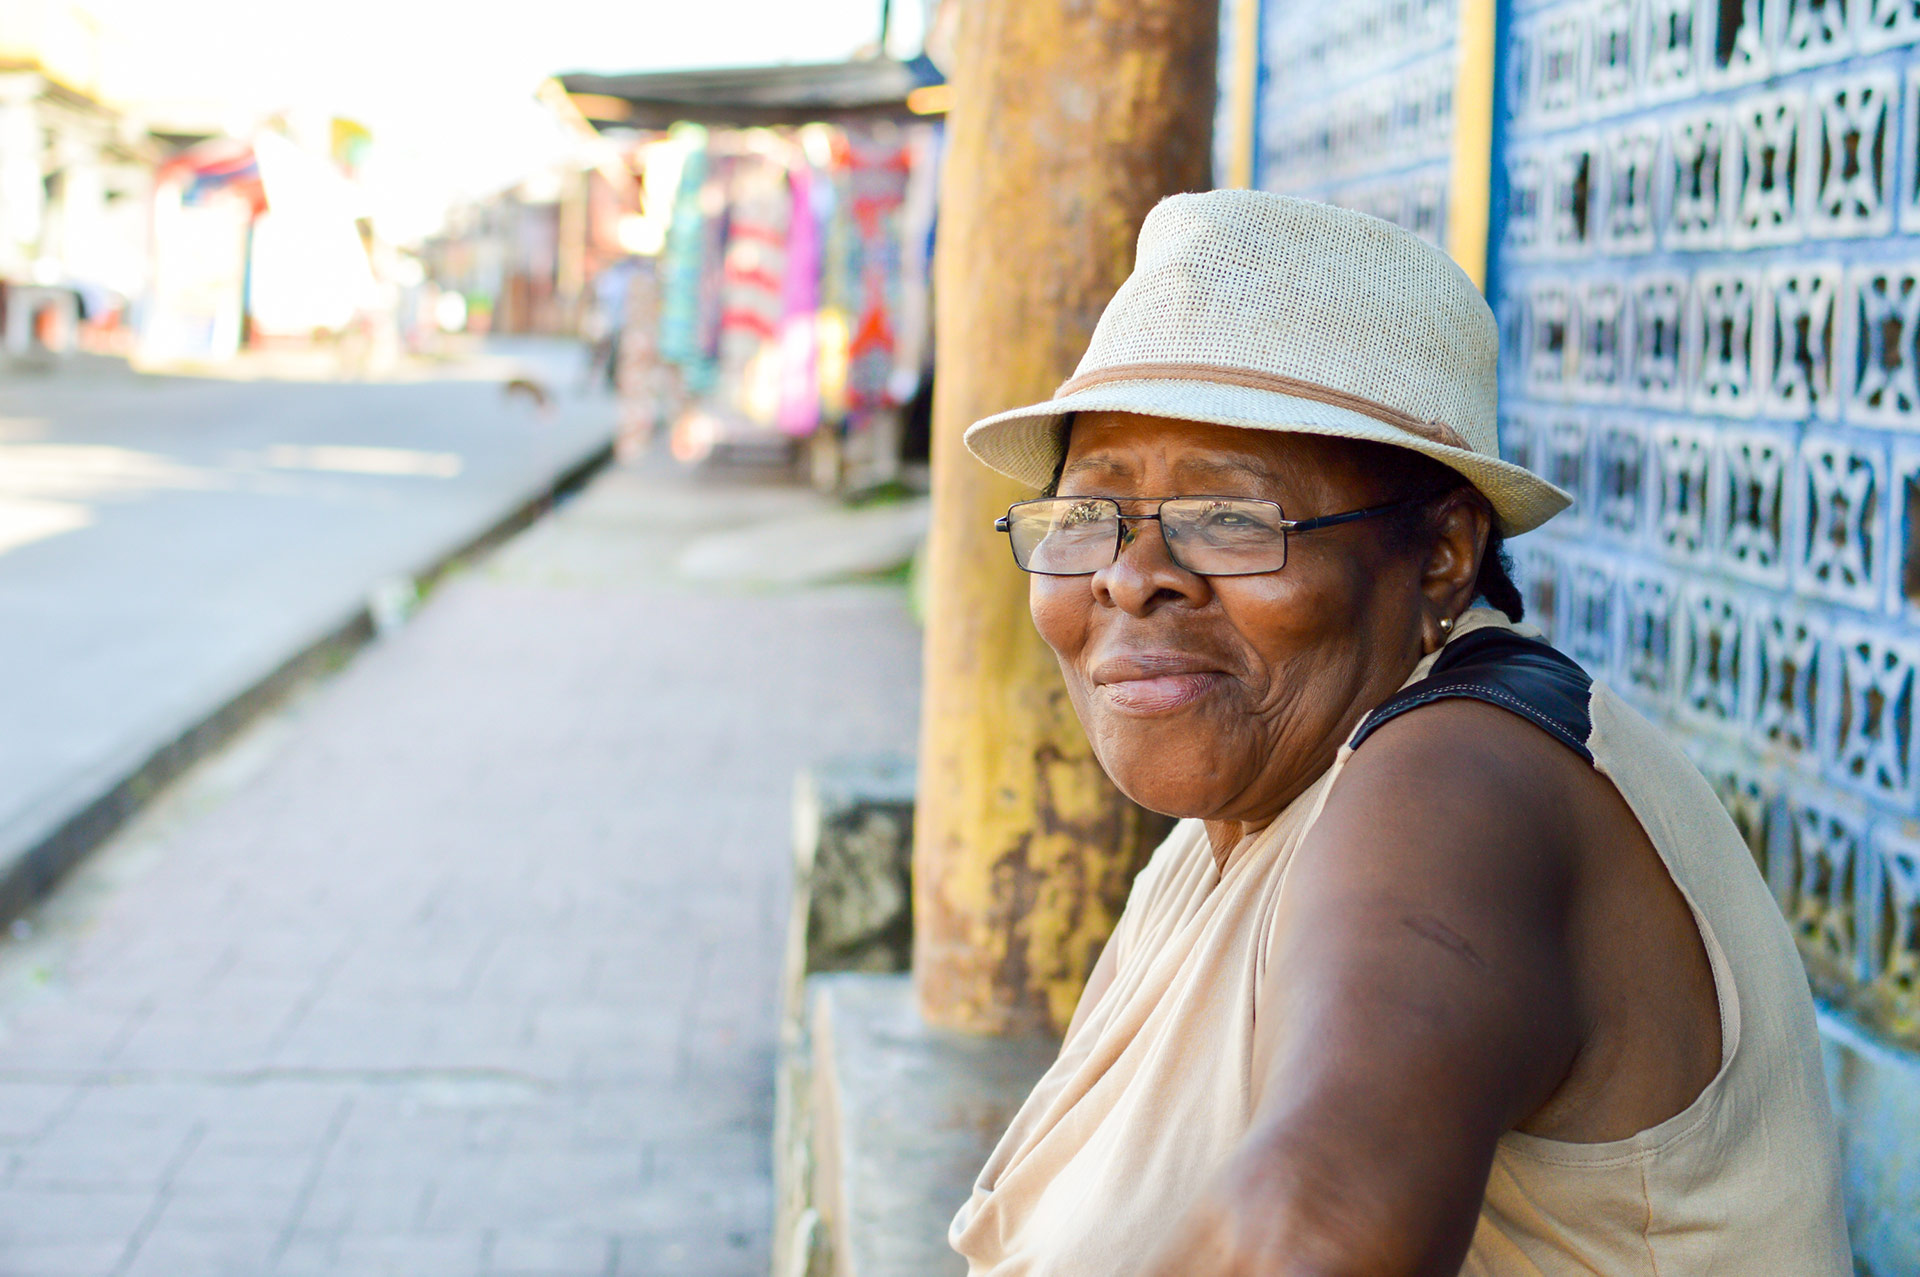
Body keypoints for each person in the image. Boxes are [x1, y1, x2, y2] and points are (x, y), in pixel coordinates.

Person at [947, 190, 1850, 1276]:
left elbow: (1318, 1228)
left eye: (1229, 518)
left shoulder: (1460, 778)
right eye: (1088, 515)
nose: (1133, 577)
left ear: (1441, 558)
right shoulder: (1230, 829)